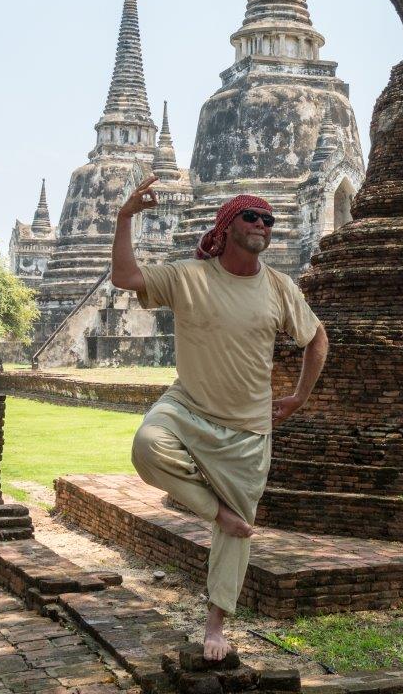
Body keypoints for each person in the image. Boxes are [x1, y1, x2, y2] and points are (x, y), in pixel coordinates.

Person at [110, 175, 329, 660]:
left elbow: (316, 339)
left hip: (248, 427)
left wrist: (298, 397)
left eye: (269, 220)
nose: (262, 225)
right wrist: (125, 217)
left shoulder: (279, 287)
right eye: (252, 216)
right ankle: (218, 512)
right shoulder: (190, 276)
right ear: (228, 226)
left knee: (236, 539)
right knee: (147, 447)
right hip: (187, 406)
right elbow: (126, 278)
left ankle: (216, 626)